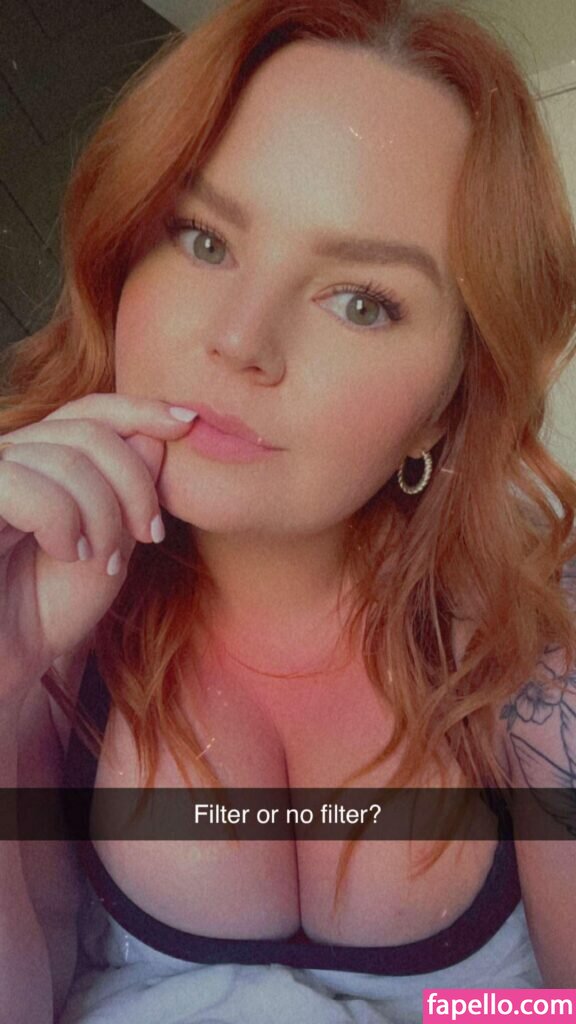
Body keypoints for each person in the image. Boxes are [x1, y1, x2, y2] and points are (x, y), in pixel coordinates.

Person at [1, 0, 575, 1020]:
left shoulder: (536, 649)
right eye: (203, 238)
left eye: (361, 301)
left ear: (448, 404)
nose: (240, 339)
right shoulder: (40, 610)